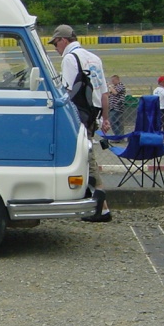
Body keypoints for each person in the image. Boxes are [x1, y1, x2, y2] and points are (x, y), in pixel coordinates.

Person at [49, 24, 112, 223]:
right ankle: (95, 204)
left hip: (79, 114)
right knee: (87, 155)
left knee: (87, 158)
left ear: (64, 40)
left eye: (56, 43)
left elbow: (66, 93)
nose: (55, 48)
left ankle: (101, 207)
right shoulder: (94, 58)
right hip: (93, 113)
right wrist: (105, 118)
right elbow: (104, 93)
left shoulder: (70, 58)